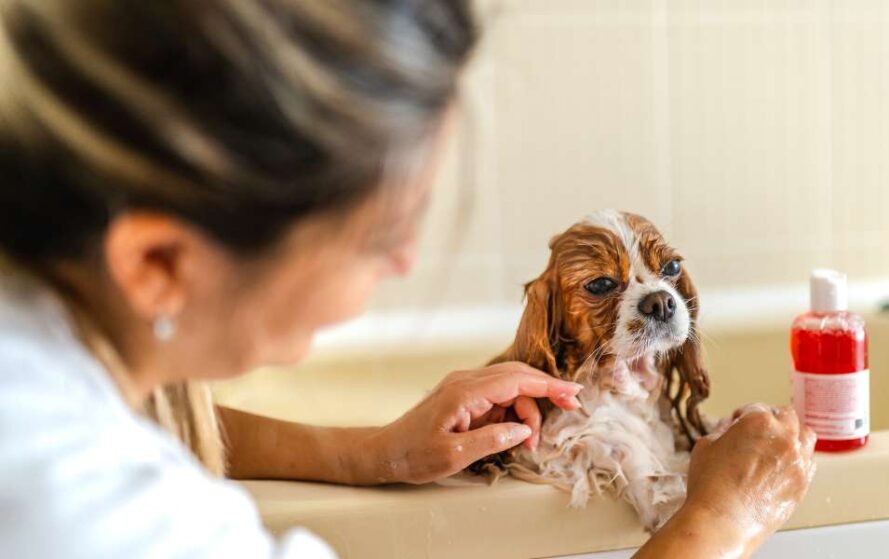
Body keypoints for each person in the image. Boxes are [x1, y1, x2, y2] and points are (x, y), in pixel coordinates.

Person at [0, 1, 817, 557]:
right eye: (382, 234)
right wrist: (718, 519)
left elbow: (153, 415)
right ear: (159, 264)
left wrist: (374, 452)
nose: (405, 263)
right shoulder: (96, 514)